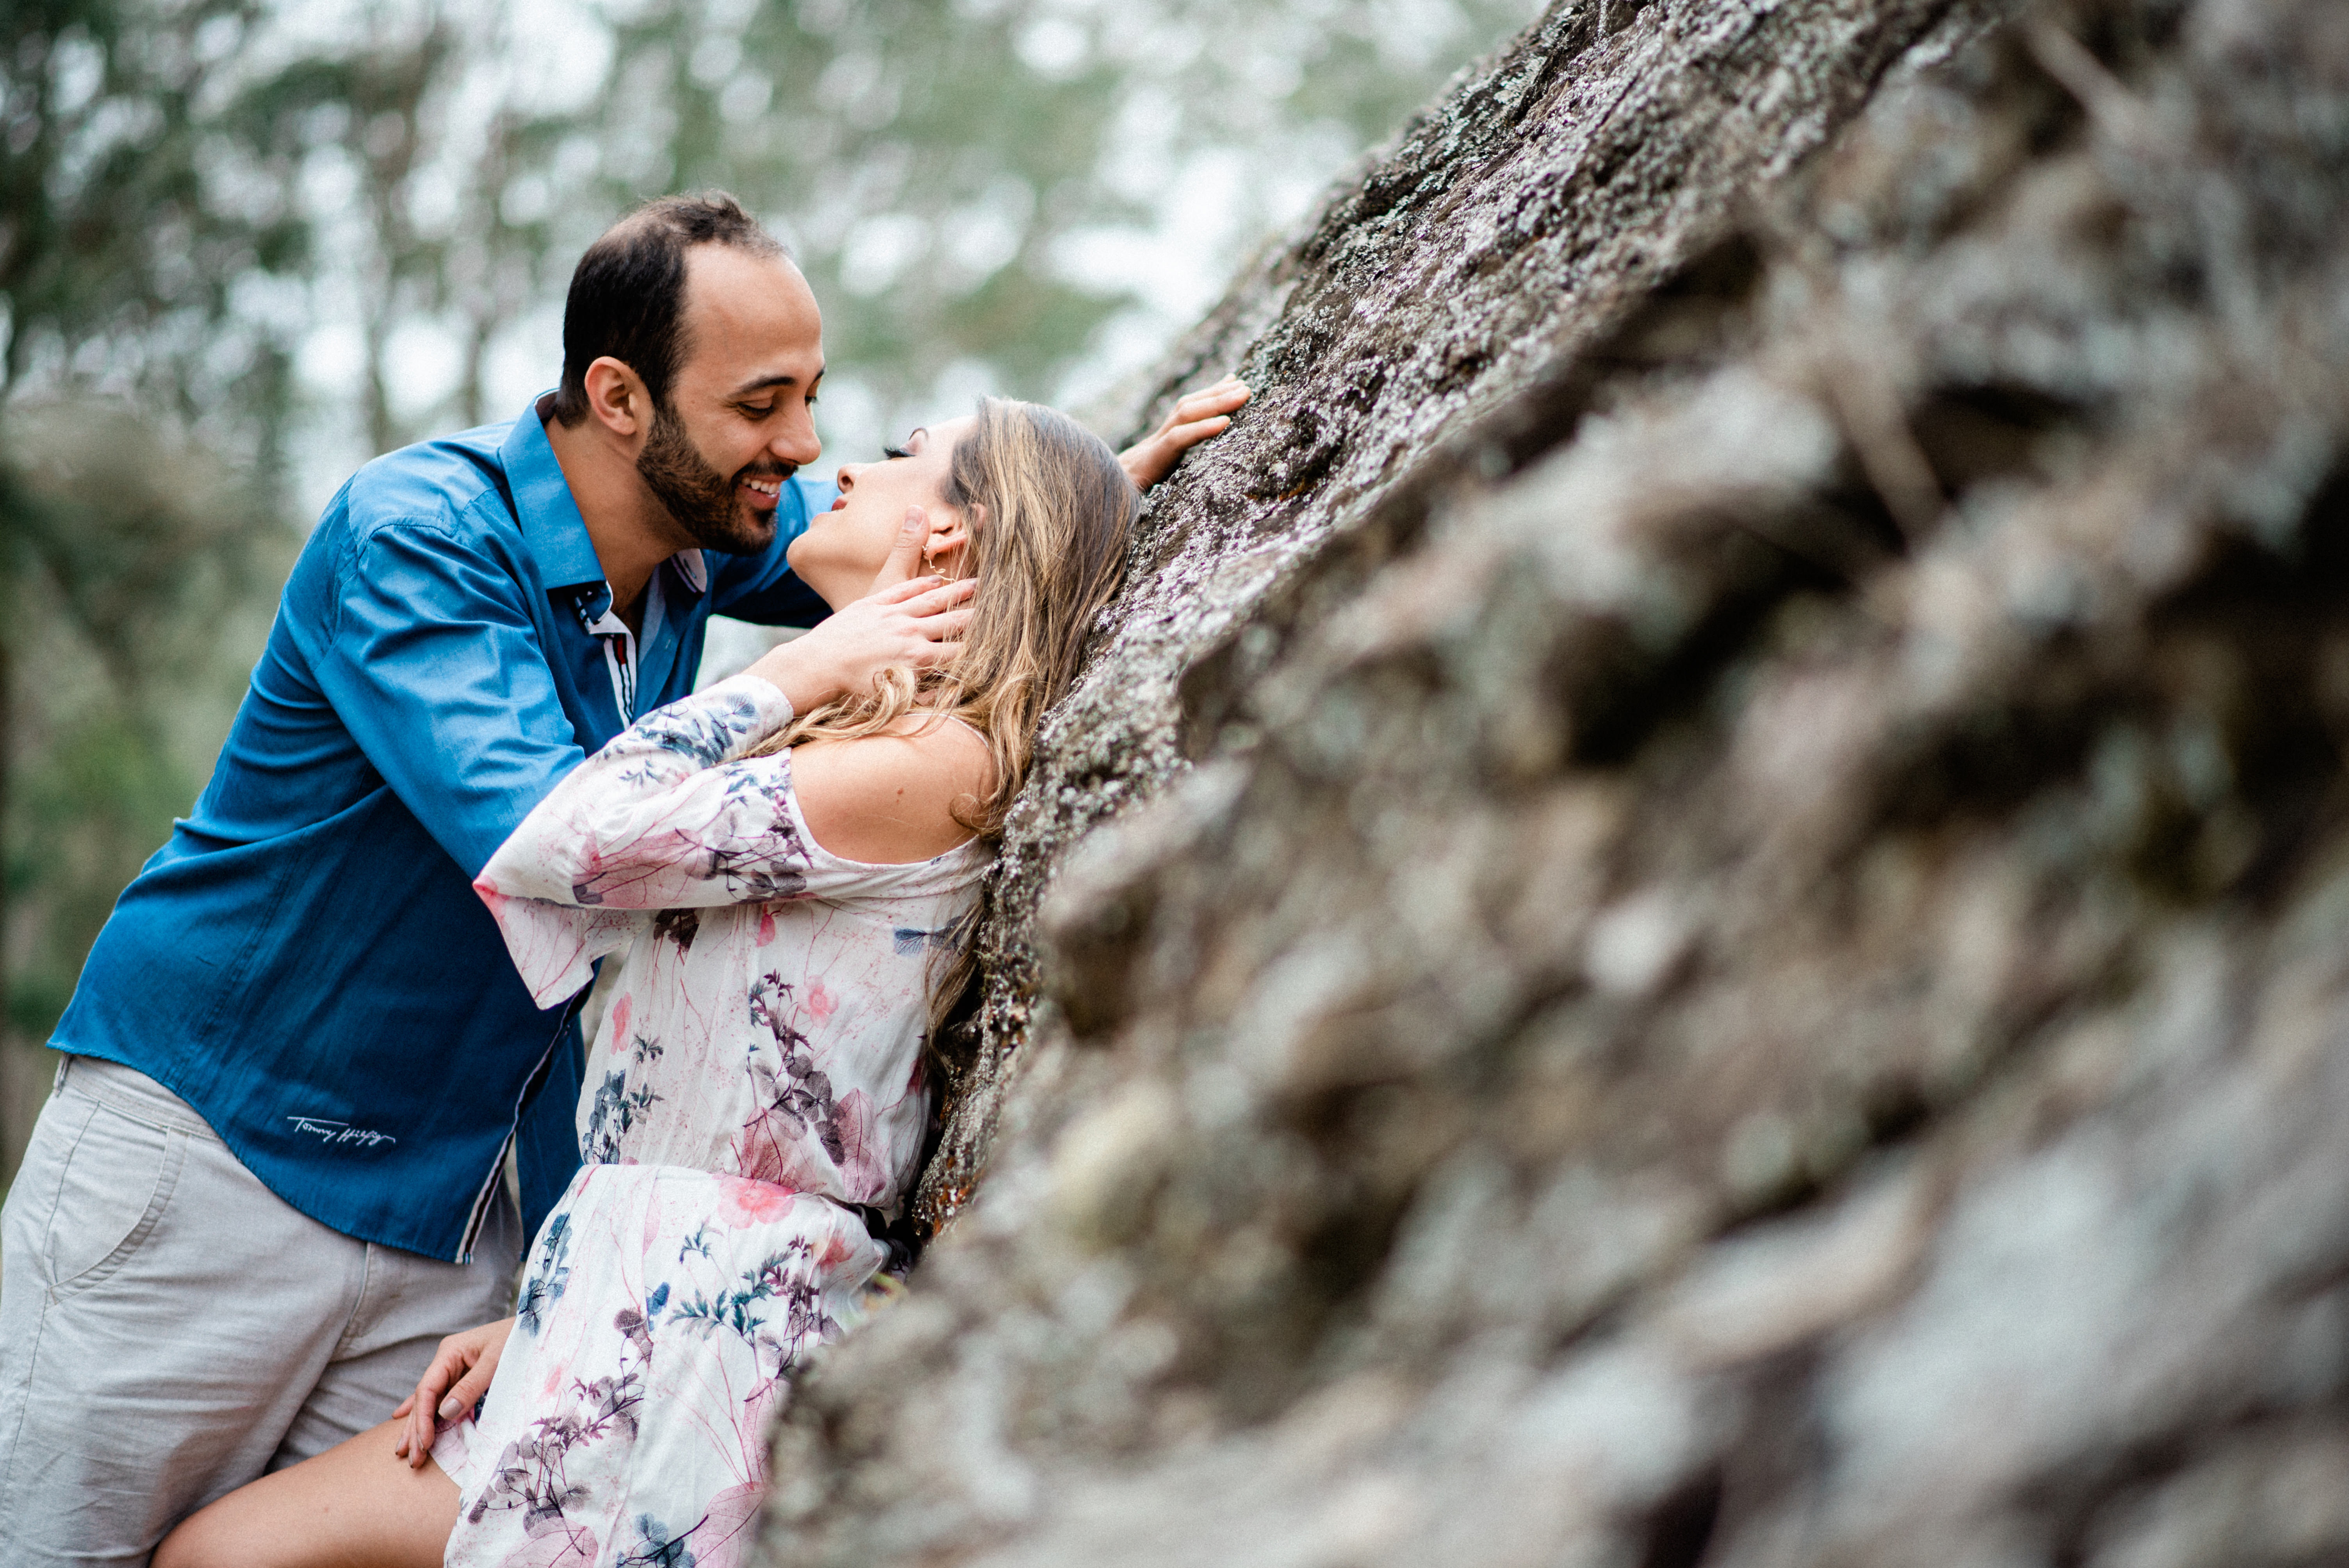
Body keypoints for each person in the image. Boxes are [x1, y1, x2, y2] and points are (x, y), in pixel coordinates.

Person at [0, 189, 1246, 1564]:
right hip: (217, 1164)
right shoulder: (418, 535)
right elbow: (556, 834)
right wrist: (799, 673)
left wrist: (1091, 495)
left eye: (816, 397)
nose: (808, 448)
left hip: (460, 1219)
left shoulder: (701, 532)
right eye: (763, 402)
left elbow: (920, 545)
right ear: (621, 398)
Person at [155, 397, 1139, 1568]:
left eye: (898, 460)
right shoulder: (870, 754)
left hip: (705, 1332)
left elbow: (565, 839)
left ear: (948, 542)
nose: (838, 470)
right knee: (221, 1552)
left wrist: (787, 673)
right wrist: (545, 1309)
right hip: (629, 1281)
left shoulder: (931, 767)